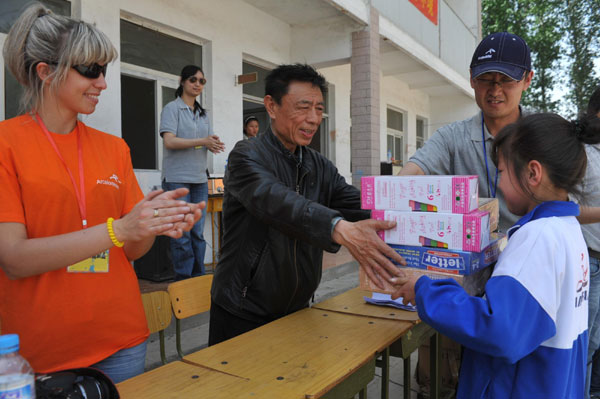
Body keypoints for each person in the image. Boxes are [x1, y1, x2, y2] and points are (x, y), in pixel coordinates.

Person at [0, 4, 202, 383]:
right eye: (89, 70)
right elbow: (13, 258)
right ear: (45, 72)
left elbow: (131, 251)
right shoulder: (5, 145)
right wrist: (120, 230)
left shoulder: (113, 148)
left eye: (104, 70)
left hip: (121, 339)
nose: (103, 83)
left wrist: (152, 223)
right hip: (37, 353)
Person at [392, 112, 600, 398]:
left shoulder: (537, 237)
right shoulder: (569, 230)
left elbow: (499, 330)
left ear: (533, 173)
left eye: (501, 171)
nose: (498, 184)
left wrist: (424, 289)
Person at [208, 63, 405, 345]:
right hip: (243, 309)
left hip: (298, 308)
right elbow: (277, 201)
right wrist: (338, 228)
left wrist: (422, 212)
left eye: (319, 108)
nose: (313, 118)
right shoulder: (246, 156)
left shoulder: (319, 165)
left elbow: (361, 203)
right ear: (271, 106)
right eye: (303, 107)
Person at [400, 31, 534, 233]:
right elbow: (409, 175)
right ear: (471, 78)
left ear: (527, 80)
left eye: (507, 80)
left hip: (529, 253)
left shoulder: (544, 136)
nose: (495, 91)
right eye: (486, 78)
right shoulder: (451, 138)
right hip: (472, 254)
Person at [160, 65, 225, 280]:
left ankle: (198, 280)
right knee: (182, 234)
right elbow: (169, 141)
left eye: (202, 81)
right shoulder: (172, 108)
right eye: (193, 80)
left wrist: (213, 144)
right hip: (177, 179)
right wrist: (202, 141)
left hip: (199, 179)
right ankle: (183, 282)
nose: (198, 84)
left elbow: (204, 141)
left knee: (197, 233)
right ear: (182, 81)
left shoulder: (203, 114)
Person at [578, 86, 600, 399]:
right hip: (590, 262)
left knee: (595, 345)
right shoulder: (581, 152)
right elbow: (562, 207)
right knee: (583, 344)